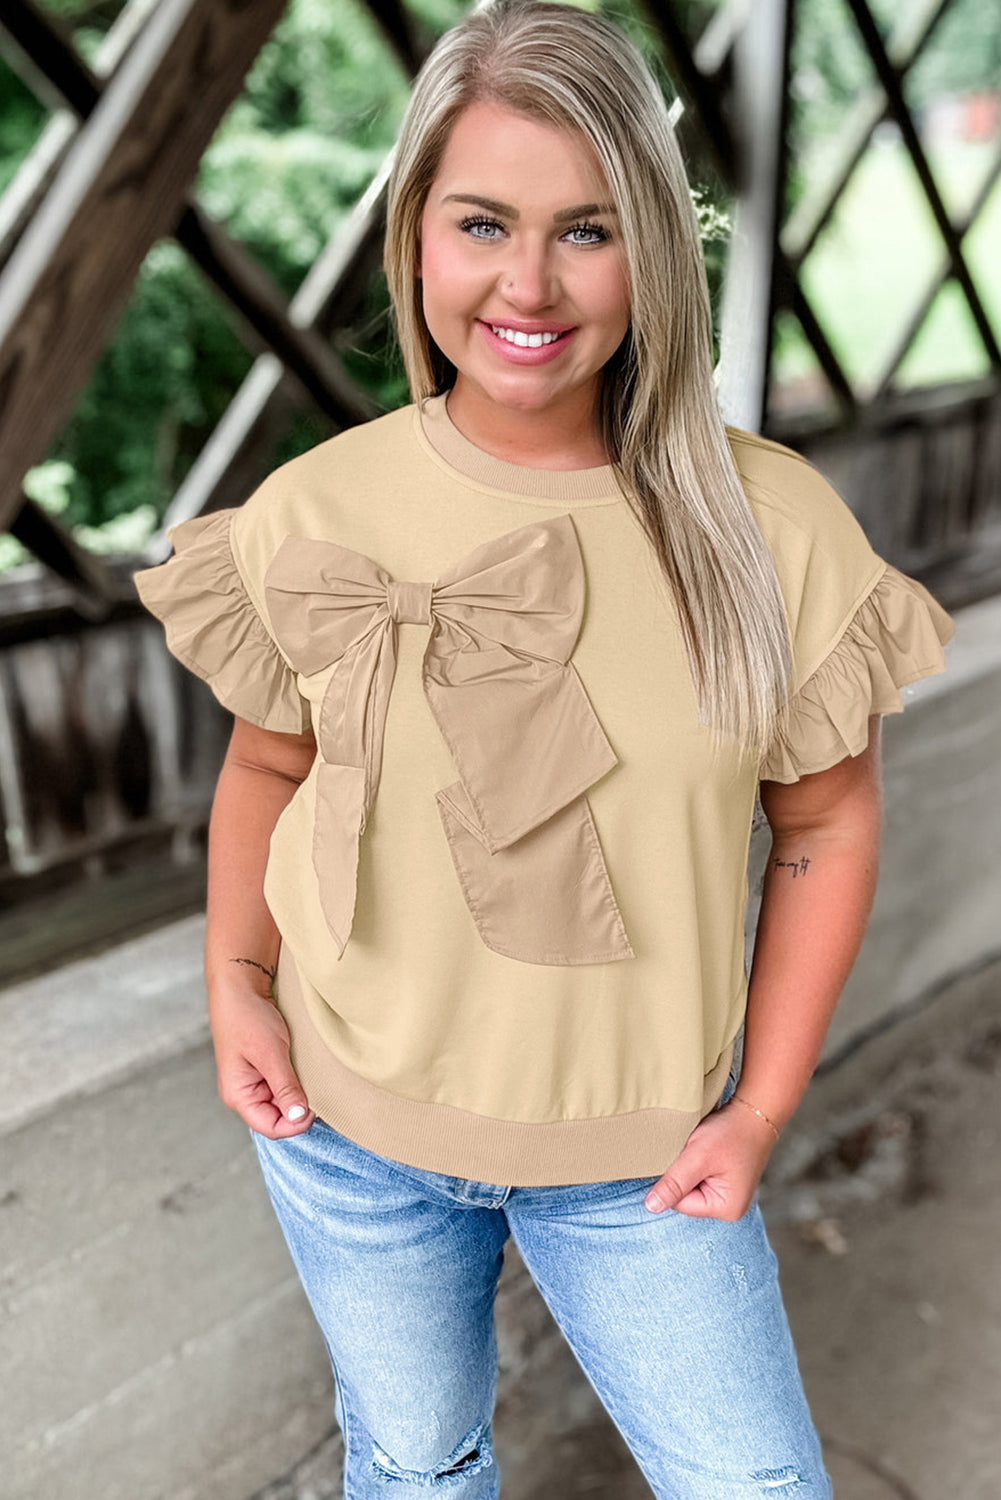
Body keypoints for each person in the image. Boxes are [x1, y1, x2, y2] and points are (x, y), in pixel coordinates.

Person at [133, 2, 954, 1494]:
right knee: (415, 1460)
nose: (528, 283)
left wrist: (760, 1109)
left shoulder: (767, 530)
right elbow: (269, 769)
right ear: (416, 238)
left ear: (655, 247)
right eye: (482, 224)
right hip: (343, 1121)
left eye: (586, 230)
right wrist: (235, 981)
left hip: (645, 1159)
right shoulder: (317, 508)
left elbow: (826, 827)